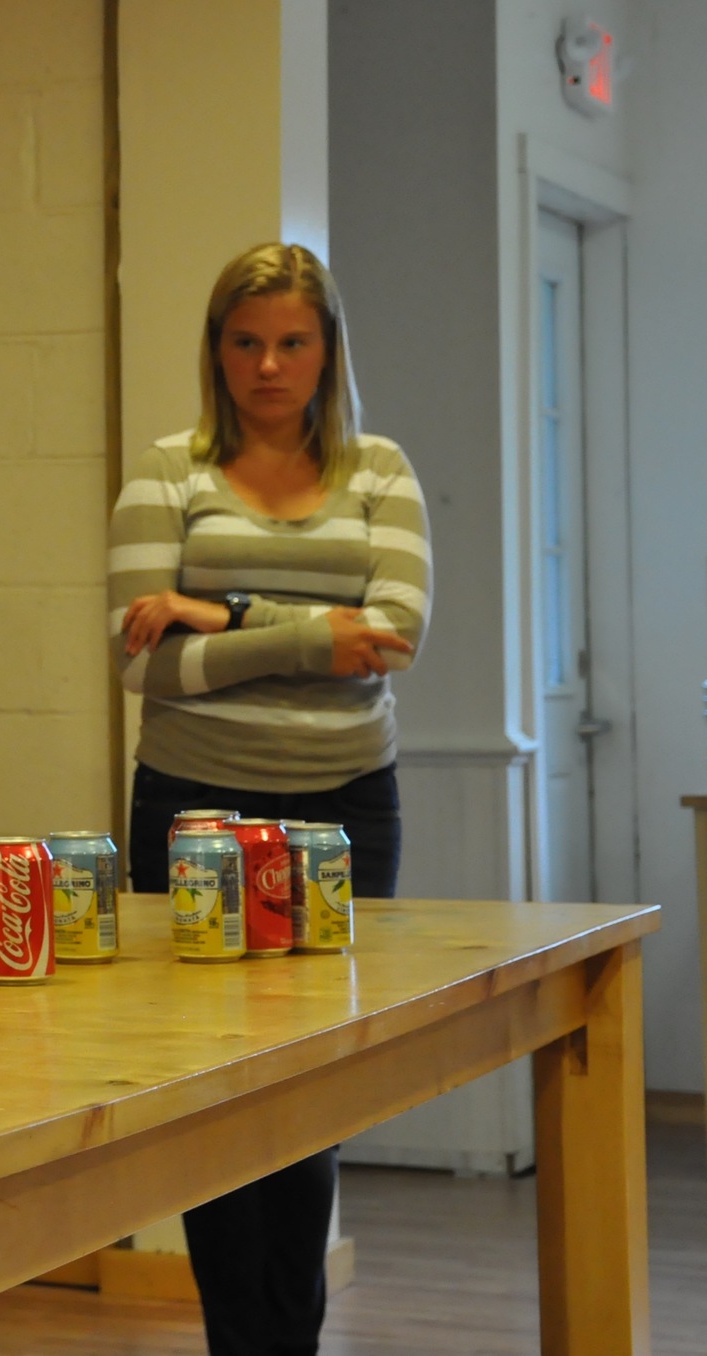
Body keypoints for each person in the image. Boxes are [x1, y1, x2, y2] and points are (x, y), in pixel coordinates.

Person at [109, 242, 430, 1356]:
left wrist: (219, 611)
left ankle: (285, 1342)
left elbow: (391, 638)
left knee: (310, 1093)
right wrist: (308, 635)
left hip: (343, 807)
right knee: (209, 1091)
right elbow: (145, 665)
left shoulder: (378, 471)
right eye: (243, 342)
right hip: (190, 804)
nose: (267, 364)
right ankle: (232, 1342)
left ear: (327, 349)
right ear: (215, 352)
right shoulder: (166, 473)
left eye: (292, 341)